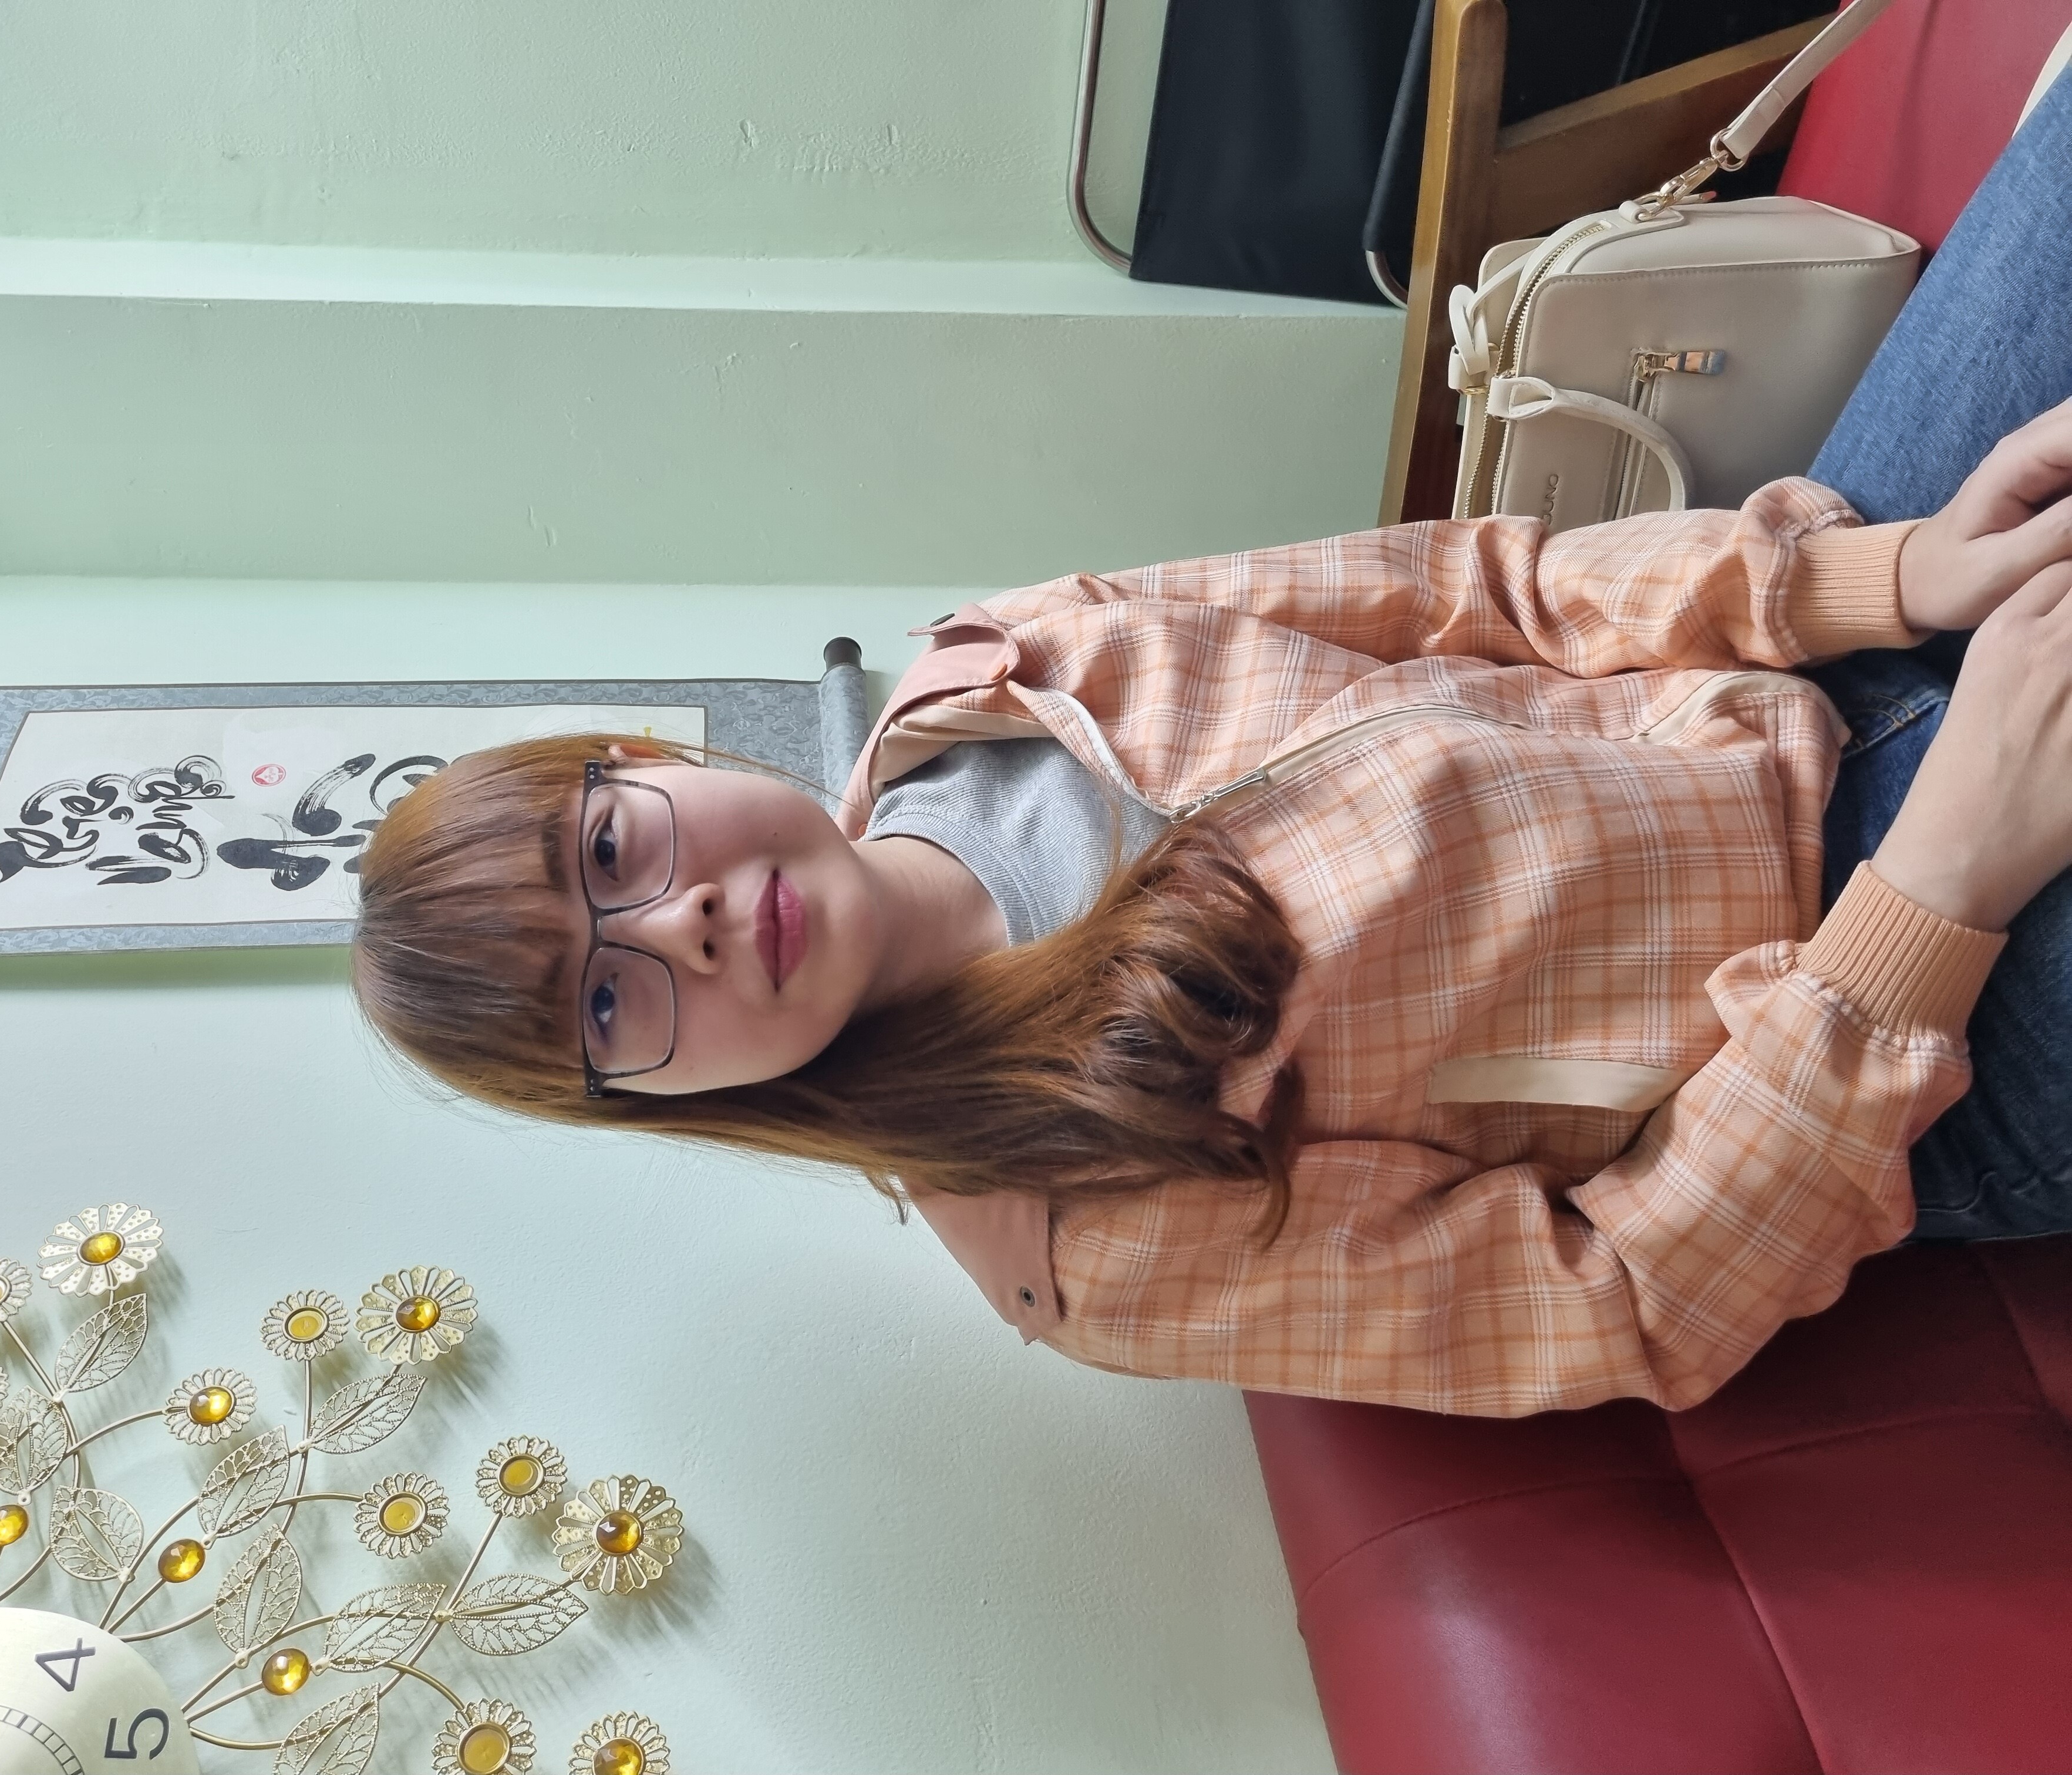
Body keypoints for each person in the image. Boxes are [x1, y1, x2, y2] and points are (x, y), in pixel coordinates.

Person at [353, 80, 2072, 1418]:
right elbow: (1621, 1298)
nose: (681, 925)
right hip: (1904, 1016)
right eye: (608, 1006)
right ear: (656, 1103)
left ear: (644, 757)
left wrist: (1886, 575)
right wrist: (1936, 887)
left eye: (610, 851)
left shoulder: (1003, 661)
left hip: (1815, 677)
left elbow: (1485, 590)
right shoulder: (1080, 1239)